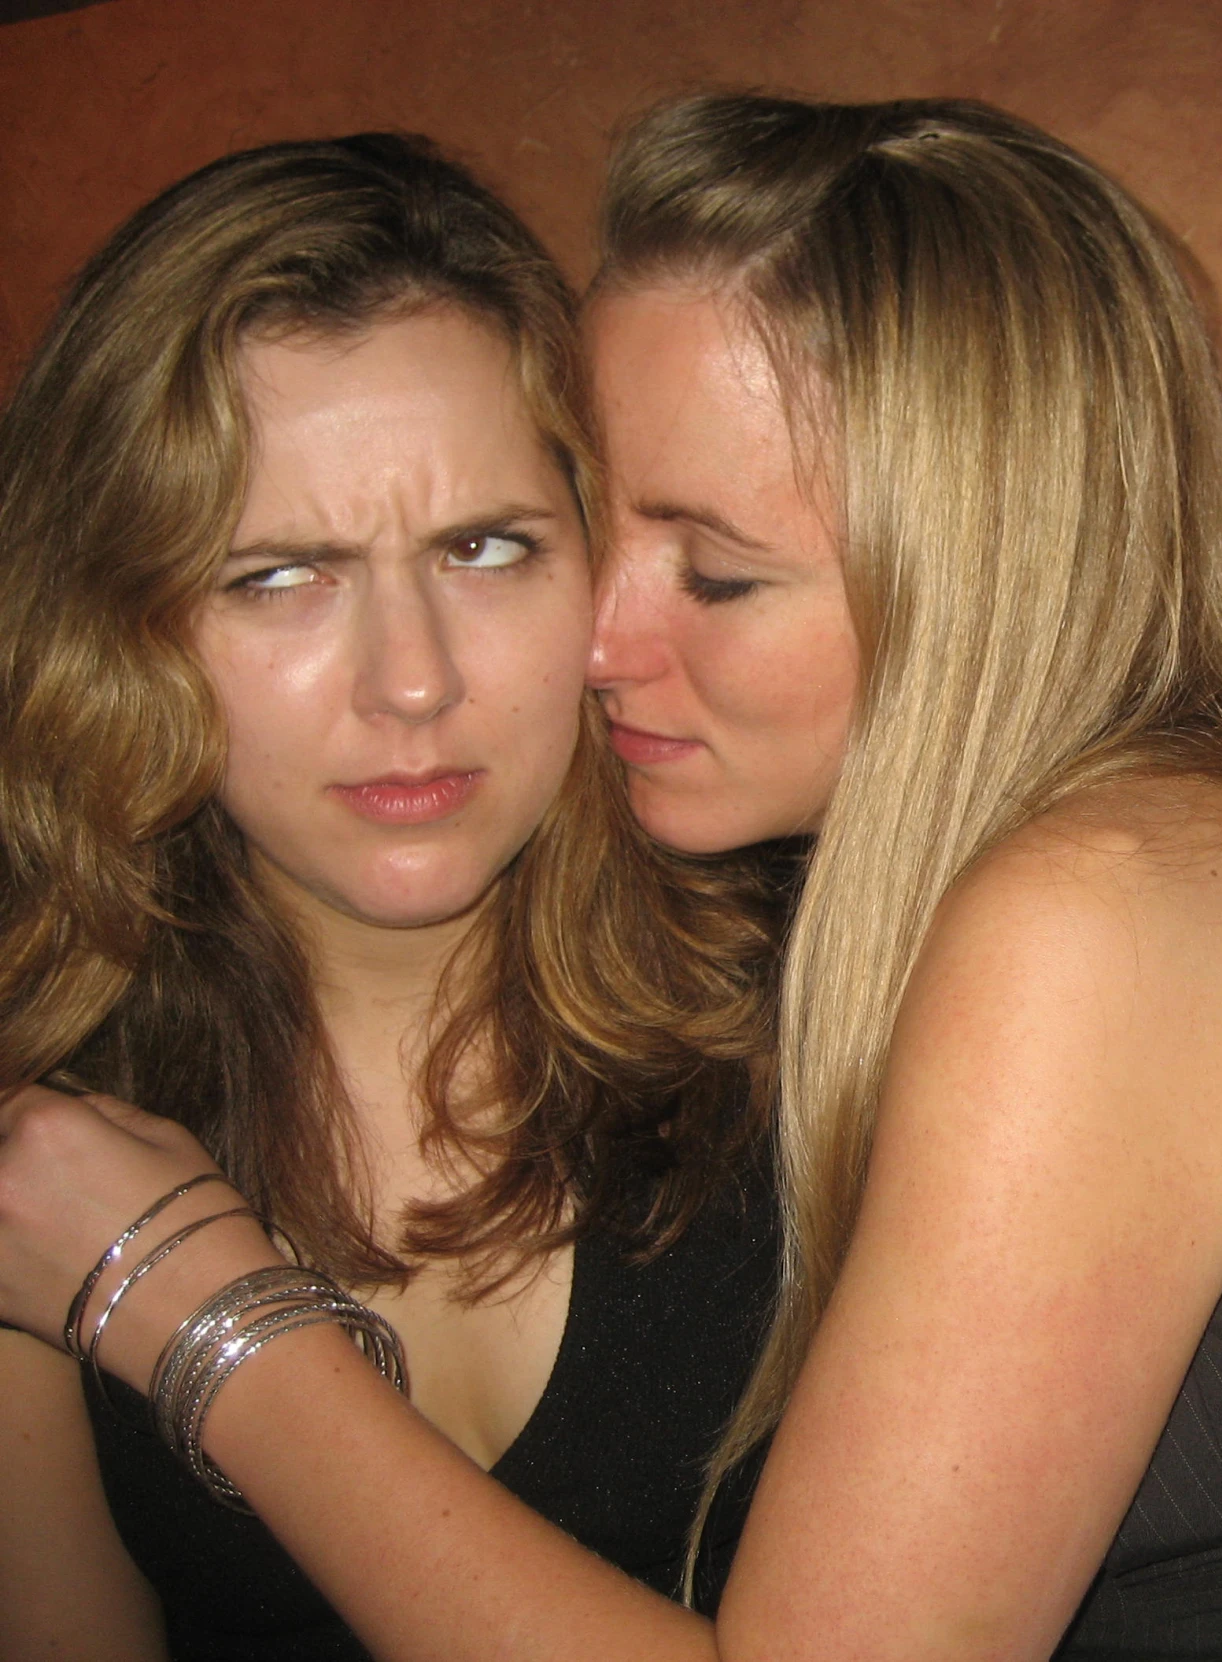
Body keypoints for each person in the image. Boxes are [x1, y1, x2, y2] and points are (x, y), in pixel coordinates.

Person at [0, 97, 1222, 1662]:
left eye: (706, 570)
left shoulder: (1083, 917)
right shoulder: (926, 923)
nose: (576, 646)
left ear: (971, 576)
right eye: (273, 576)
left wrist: (198, 1308)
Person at [0, 134, 779, 1662]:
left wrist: (207, 1320)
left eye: (485, 547)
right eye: (278, 575)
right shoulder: (38, 1132)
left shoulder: (826, 1006)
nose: (411, 681)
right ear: (118, 624)